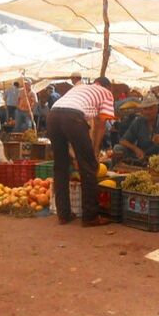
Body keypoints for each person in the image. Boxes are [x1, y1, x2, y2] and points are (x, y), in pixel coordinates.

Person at [47, 76, 116, 227]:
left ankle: (63, 215)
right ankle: (90, 216)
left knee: (60, 167)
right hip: (73, 117)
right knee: (89, 167)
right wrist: (95, 152)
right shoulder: (106, 92)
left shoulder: (79, 88)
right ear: (108, 87)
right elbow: (100, 123)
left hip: (53, 115)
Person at [114, 93, 159, 163]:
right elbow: (122, 141)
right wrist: (136, 149)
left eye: (151, 108)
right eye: (145, 109)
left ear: (157, 109)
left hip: (158, 157)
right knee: (118, 148)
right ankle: (117, 169)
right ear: (142, 110)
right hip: (140, 155)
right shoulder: (138, 121)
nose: (148, 112)